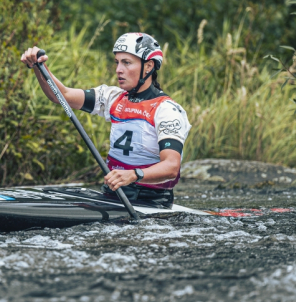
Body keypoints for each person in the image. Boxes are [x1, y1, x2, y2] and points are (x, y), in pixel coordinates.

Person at [20, 33, 191, 209]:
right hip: (112, 195)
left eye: (127, 62)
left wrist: (134, 174)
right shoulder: (112, 97)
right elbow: (62, 96)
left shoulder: (167, 110)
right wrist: (39, 67)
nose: (118, 69)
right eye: (117, 62)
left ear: (148, 66)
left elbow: (171, 166)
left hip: (150, 202)